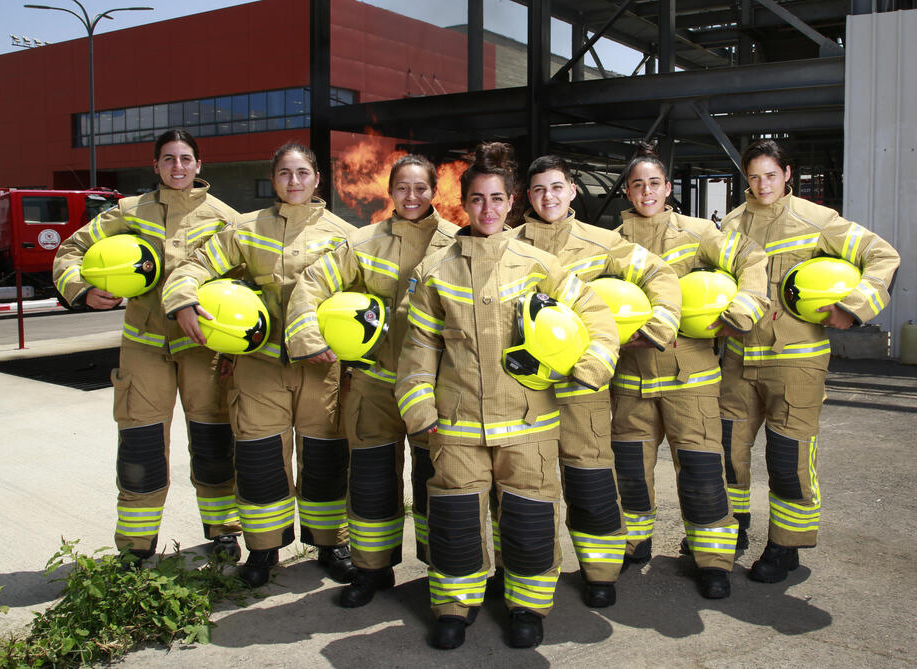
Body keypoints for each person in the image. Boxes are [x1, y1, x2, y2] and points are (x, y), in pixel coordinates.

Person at [395, 142, 618, 650]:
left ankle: (528, 607)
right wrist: (421, 412)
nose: (488, 209)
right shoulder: (436, 271)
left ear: (511, 201)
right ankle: (454, 606)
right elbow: (419, 350)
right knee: (454, 520)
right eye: (477, 200)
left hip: (528, 425)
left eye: (497, 199)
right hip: (456, 424)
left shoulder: (540, 265)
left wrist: (591, 367)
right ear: (464, 204)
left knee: (530, 516)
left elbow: (597, 318)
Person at [163, 142, 357, 587]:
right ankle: (263, 549)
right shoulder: (246, 230)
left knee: (326, 458)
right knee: (259, 459)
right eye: (285, 173)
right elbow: (195, 264)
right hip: (259, 368)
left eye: (303, 172)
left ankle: (331, 544)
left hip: (320, 370)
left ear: (317, 179)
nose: (294, 181)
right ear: (273, 180)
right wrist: (184, 300)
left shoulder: (343, 234)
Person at [52, 129, 243, 565]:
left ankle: (224, 534)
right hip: (144, 348)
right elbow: (71, 249)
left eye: (186, 158)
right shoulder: (127, 211)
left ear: (200, 165)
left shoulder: (225, 218)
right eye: (169, 159)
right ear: (155, 166)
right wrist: (81, 289)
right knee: (140, 447)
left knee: (214, 444)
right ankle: (136, 549)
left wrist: (235, 348)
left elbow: (244, 282)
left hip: (204, 348)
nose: (178, 167)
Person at [720, 138, 899, 583]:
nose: (763, 184)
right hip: (739, 360)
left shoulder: (818, 220)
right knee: (727, 451)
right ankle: (732, 530)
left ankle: (786, 547)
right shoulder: (730, 223)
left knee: (788, 457)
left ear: (788, 174)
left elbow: (882, 255)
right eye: (754, 176)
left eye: (771, 175)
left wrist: (855, 307)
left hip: (795, 363)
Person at [285, 155, 458, 607]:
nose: (412, 196)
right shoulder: (364, 242)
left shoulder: (457, 243)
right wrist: (306, 335)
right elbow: (311, 283)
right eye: (403, 188)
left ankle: (439, 569)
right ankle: (371, 571)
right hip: (374, 385)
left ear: (434, 191)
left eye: (421, 188)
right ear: (390, 191)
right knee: (371, 481)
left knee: (434, 480)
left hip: (433, 388)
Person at [508, 155, 679, 608]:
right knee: (530, 488)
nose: (549, 197)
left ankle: (600, 572)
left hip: (584, 387)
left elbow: (659, 273)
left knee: (589, 477)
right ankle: (525, 577)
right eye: (540, 189)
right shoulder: (506, 245)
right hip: (523, 392)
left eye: (557, 187)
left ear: (572, 191)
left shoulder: (604, 243)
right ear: (529, 196)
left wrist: (658, 327)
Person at [612, 142, 770, 599]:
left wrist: (741, 311)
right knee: (631, 471)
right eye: (637, 184)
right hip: (630, 378)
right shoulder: (611, 241)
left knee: (702, 471)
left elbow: (752, 261)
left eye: (654, 183)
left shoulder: (701, 232)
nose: (646, 191)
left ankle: (713, 560)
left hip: (692, 379)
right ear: (627, 190)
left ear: (667, 188)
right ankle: (632, 543)